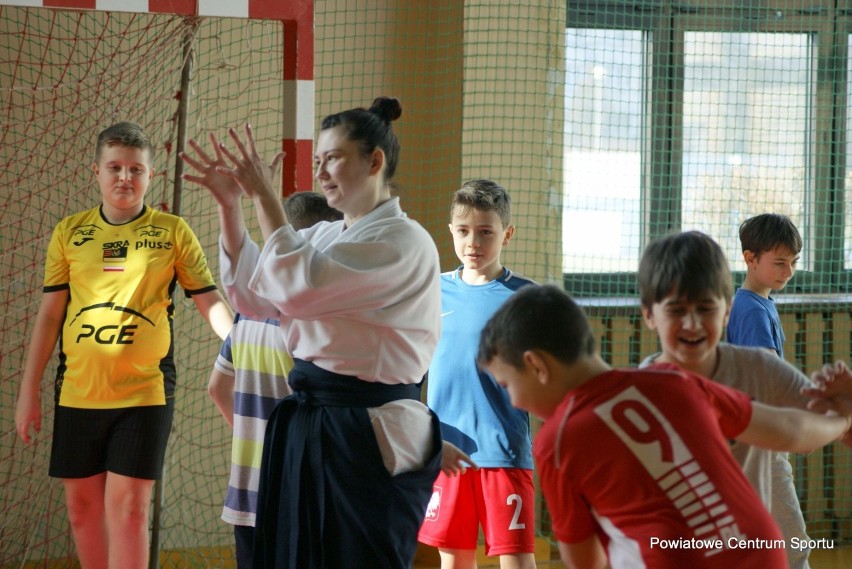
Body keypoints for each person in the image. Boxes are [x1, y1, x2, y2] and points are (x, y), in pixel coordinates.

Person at [181, 97, 451, 568]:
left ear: (375, 161)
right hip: (314, 419)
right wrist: (231, 207)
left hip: (369, 426)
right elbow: (253, 297)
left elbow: (299, 288)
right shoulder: (326, 236)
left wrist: (267, 197)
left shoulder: (403, 241)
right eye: (319, 161)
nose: (322, 172)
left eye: (334, 158)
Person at [476, 284, 852, 569]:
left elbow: (586, 562)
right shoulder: (673, 380)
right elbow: (790, 430)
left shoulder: (557, 441)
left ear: (538, 366)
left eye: (508, 386)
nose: (512, 402)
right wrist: (842, 418)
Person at [14, 121, 233, 569]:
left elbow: (209, 301)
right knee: (81, 511)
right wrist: (27, 392)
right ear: (96, 171)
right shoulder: (70, 233)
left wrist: (244, 345)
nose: (124, 178)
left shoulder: (172, 232)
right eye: (114, 167)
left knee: (130, 510)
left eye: (136, 169)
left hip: (143, 394)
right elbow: (50, 316)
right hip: (78, 392)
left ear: (150, 175)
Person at [636, 230, 837, 569]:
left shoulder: (758, 368)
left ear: (727, 310)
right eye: (676, 309)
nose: (692, 322)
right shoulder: (637, 392)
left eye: (705, 308)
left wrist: (839, 414)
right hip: (680, 547)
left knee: (792, 550)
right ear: (649, 314)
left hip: (751, 540)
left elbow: (807, 427)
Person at [205, 193, 340, 569]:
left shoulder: (246, 314)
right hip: (297, 490)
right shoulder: (308, 319)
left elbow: (217, 389)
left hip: (247, 490)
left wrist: (256, 436)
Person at [417, 179, 536, 569]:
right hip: (448, 452)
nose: (474, 243)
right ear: (451, 230)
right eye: (464, 231)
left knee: (517, 560)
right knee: (453, 561)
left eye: (486, 232)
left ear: (507, 234)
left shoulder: (527, 298)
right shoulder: (431, 292)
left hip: (505, 452)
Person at [727, 213, 802, 358]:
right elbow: (770, 374)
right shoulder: (753, 311)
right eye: (780, 263)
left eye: (794, 262)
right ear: (751, 258)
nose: (789, 272)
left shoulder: (756, 302)